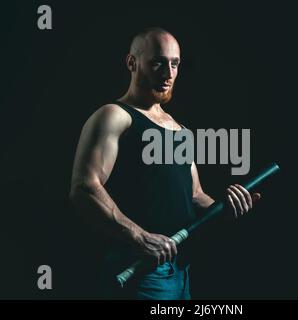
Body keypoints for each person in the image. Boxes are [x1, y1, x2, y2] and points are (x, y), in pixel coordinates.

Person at [69, 27, 261, 300]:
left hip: (181, 272)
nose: (168, 73)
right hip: (140, 273)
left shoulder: (179, 130)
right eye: (158, 62)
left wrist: (224, 209)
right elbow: (84, 187)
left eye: (175, 64)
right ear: (132, 63)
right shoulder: (115, 116)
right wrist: (139, 236)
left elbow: (195, 196)